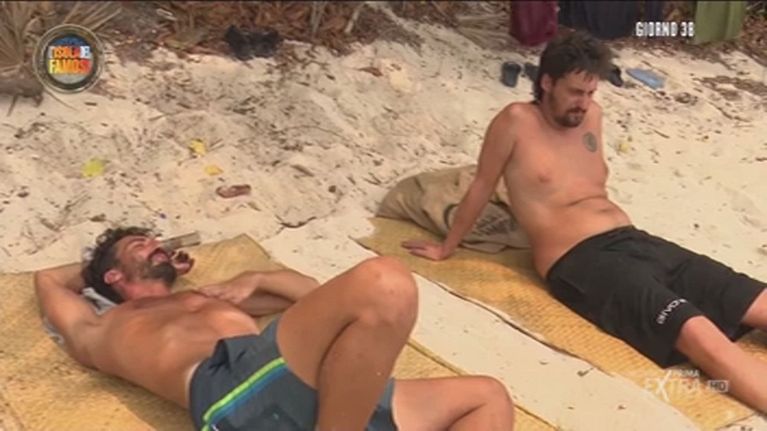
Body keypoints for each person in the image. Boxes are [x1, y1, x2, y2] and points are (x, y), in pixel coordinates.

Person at [402, 31, 767, 412]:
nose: (584, 103)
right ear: (547, 82)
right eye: (576, 92)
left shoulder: (592, 116)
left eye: (591, 92)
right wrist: (447, 247)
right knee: (698, 332)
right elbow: (482, 184)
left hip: (635, 240)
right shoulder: (516, 121)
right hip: (581, 261)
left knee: (756, 301)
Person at [35, 227, 515, 430]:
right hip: (236, 390)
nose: (156, 244)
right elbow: (47, 280)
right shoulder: (100, 327)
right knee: (386, 282)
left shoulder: (210, 297)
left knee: (487, 397)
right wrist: (96, 271)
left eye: (157, 240)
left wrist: (256, 278)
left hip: (324, 400)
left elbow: (312, 295)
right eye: (140, 245)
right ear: (112, 276)